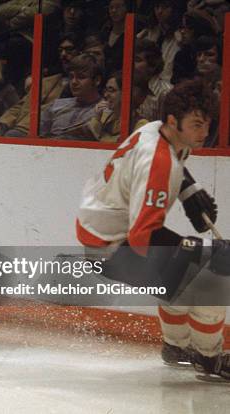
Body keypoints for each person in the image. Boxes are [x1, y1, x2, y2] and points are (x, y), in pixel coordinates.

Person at [76, 79, 229, 381]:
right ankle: (210, 358)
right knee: (210, 283)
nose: (205, 133)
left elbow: (174, 162)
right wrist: (204, 251)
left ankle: (175, 347)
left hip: (100, 233)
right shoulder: (159, 162)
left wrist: (189, 190)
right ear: (174, 121)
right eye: (197, 125)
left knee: (180, 274)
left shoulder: (155, 129)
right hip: (112, 246)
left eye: (207, 124)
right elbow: (143, 238)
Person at [39, 53, 102, 140]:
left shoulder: (104, 111)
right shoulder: (56, 105)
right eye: (71, 77)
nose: (74, 82)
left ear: (97, 80)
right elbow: (37, 138)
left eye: (81, 77)